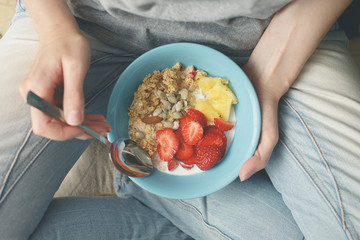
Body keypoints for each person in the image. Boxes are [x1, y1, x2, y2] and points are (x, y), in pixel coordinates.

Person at [0, 0, 359, 239]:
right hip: (82, 22)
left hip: (281, 28)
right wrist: (54, 29)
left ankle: (153, 191)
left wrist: (271, 70)